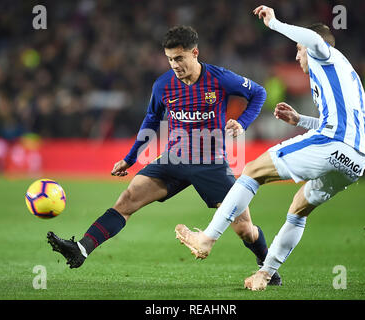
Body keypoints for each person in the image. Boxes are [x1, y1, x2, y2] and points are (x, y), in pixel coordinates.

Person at [46, 25, 282, 285]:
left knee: (244, 229)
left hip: (211, 163)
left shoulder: (220, 78)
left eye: (179, 58)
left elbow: (259, 92)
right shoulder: (163, 85)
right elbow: (151, 119)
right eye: (170, 59)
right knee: (127, 200)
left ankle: (267, 269)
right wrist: (131, 157)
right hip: (174, 159)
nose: (175, 65)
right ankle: (81, 249)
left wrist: (243, 122)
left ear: (195, 53)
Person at [175, 5, 365, 291]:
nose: (297, 55)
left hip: (336, 142)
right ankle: (264, 274)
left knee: (253, 170)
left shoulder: (323, 53)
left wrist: (275, 23)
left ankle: (207, 238)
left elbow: (316, 40)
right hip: (357, 159)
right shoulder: (344, 74)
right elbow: (338, 120)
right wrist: (299, 119)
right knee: (298, 209)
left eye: (298, 49)